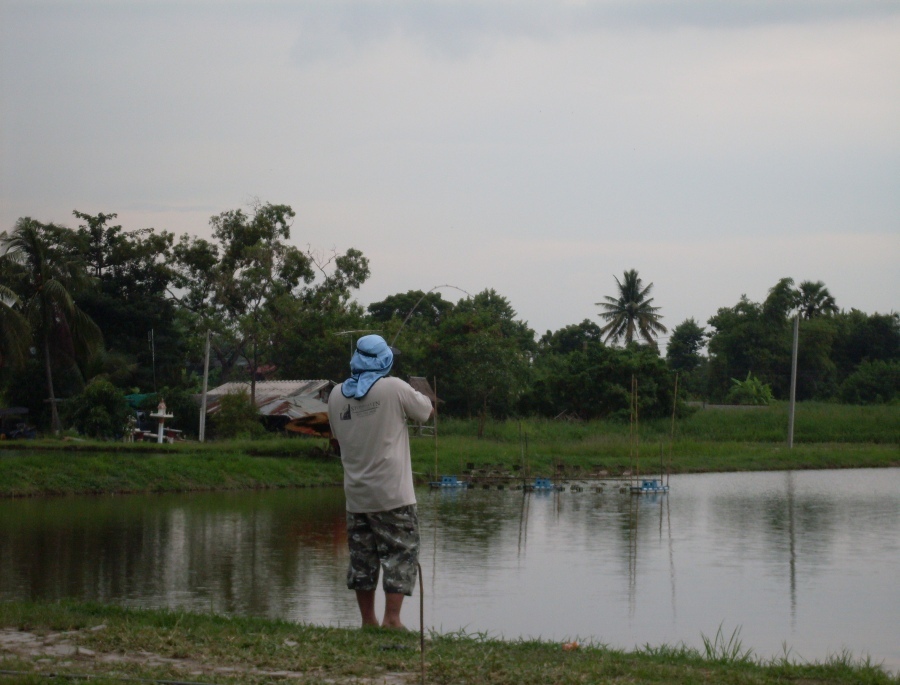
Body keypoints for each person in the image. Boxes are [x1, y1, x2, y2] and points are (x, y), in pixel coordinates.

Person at [327, 334, 434, 629]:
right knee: (400, 553)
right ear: (384, 360)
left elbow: (336, 440)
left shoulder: (336, 395)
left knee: (362, 560)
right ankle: (392, 620)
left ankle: (368, 622)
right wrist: (417, 392)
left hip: (357, 496)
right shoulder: (394, 387)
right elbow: (426, 412)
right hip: (393, 495)